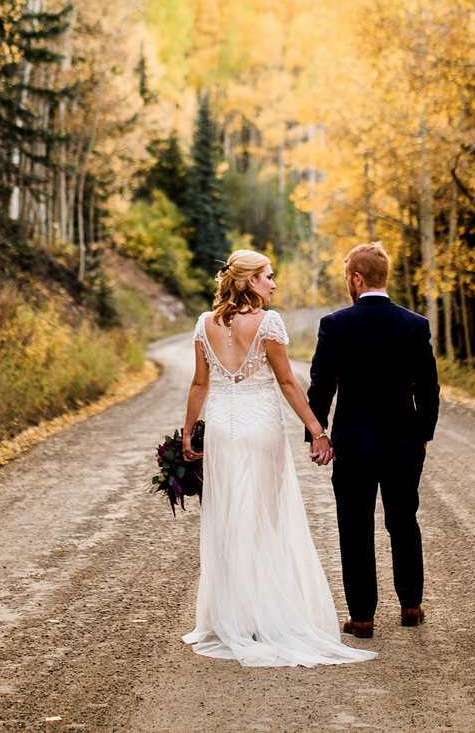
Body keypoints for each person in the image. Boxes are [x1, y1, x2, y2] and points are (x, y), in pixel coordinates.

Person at [179, 249, 375, 667]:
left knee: (230, 517)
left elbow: (200, 383)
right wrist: (319, 431)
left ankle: (234, 616)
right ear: (250, 281)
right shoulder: (268, 322)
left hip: (223, 431)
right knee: (264, 518)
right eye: (268, 276)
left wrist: (188, 431)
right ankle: (265, 615)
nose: (273, 283)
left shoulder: (205, 324)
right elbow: (287, 382)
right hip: (261, 427)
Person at [305, 242, 441, 639]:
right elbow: (428, 388)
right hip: (403, 444)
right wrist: (423, 435)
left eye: (348, 276)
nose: (348, 283)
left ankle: (362, 617)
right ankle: (411, 606)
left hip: (353, 444)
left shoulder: (335, 324)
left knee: (355, 526)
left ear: (357, 279)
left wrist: (319, 435)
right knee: (404, 521)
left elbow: (320, 386)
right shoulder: (415, 324)